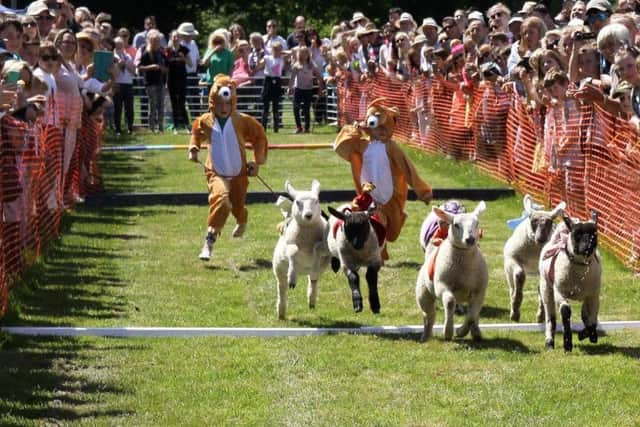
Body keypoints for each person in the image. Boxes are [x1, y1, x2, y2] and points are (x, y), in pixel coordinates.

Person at [333, 98, 433, 260]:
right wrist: (357, 128)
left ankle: (398, 221)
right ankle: (378, 251)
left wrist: (423, 191)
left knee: (392, 233)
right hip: (368, 192)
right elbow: (340, 145)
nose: (381, 132)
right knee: (375, 221)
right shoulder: (362, 144)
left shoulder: (391, 147)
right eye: (377, 127)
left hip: (390, 194)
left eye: (385, 128)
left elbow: (408, 168)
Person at [188, 74, 268, 261]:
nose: (223, 108)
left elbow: (260, 138)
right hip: (215, 173)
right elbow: (196, 132)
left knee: (238, 205)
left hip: (240, 173)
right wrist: (193, 148)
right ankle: (208, 242)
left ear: (233, 103)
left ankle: (242, 219)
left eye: (227, 104)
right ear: (212, 102)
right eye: (219, 104)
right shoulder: (205, 120)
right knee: (222, 200)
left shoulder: (242, 121)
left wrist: (257, 162)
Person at [138, 29, 167, 133]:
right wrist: (152, 67)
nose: (156, 43)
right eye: (154, 40)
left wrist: (164, 69)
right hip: (150, 83)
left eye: (158, 40)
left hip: (161, 82)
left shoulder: (162, 52)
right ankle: (152, 127)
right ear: (150, 41)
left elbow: (167, 67)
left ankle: (161, 127)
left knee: (161, 105)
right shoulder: (146, 53)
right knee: (153, 105)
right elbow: (140, 67)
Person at [288, 46, 323, 134]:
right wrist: (290, 88)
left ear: (308, 54)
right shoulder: (296, 65)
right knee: (296, 108)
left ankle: (307, 127)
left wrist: (320, 88)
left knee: (306, 109)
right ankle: (299, 127)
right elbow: (292, 78)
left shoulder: (312, 65)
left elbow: (319, 77)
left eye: (305, 52)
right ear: (299, 54)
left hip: (308, 89)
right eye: (302, 52)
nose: (304, 54)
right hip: (298, 89)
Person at [165, 30, 191, 134]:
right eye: (174, 37)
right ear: (171, 38)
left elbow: (190, 64)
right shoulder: (167, 50)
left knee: (182, 103)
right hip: (171, 80)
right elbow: (165, 65)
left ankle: (187, 125)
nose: (175, 39)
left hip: (182, 79)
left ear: (180, 38)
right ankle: (175, 126)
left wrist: (183, 58)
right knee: (174, 103)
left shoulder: (184, 50)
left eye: (177, 37)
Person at [257, 41, 285, 132]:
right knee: (266, 106)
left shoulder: (281, 59)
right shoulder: (267, 58)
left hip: (277, 81)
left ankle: (276, 128)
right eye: (275, 49)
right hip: (268, 80)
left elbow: (291, 52)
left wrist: (283, 52)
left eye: (279, 50)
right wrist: (259, 56)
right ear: (272, 50)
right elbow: (258, 65)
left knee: (276, 106)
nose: (277, 52)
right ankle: (263, 127)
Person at [113, 36, 136, 135]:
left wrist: (126, 64)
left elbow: (133, 72)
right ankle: (118, 128)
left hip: (128, 84)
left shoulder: (128, 56)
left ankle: (130, 127)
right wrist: (118, 65)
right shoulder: (112, 57)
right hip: (117, 84)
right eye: (118, 46)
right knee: (118, 108)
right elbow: (114, 73)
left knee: (129, 107)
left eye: (121, 45)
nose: (120, 48)